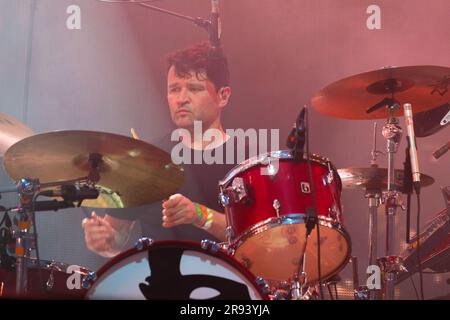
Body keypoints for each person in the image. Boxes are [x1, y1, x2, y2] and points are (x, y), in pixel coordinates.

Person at [82, 43, 237, 258]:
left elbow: (261, 238)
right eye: (174, 89)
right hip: (158, 283)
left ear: (223, 95)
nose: (181, 98)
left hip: (225, 284)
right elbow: (117, 232)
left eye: (194, 88)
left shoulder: (248, 160)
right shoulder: (147, 157)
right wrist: (105, 239)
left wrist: (200, 215)